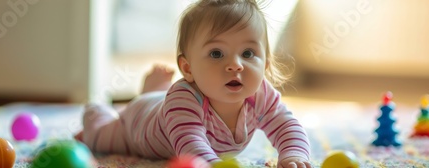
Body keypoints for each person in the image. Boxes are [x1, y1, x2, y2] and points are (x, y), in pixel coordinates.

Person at [76, 0, 311, 167]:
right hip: (137, 125)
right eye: (217, 53)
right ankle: (98, 111)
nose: (235, 65)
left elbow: (285, 124)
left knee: (161, 102)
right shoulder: (183, 100)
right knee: (101, 137)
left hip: (162, 106)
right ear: (188, 68)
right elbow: (191, 145)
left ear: (266, 65)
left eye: (248, 53)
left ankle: (154, 92)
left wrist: (294, 153)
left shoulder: (261, 95)